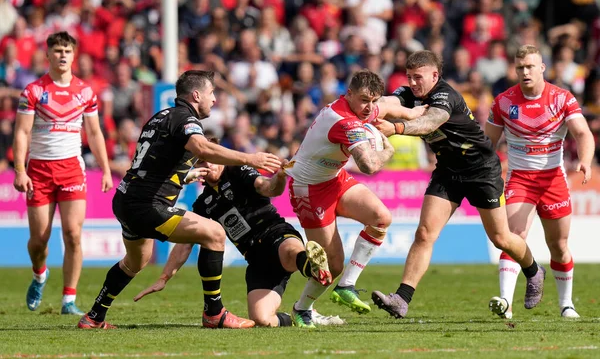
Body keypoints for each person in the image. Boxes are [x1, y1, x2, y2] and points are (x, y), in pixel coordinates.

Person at [77, 70, 282, 329]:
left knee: (135, 262)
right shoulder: (185, 119)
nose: (215, 100)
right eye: (211, 93)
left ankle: (94, 317)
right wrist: (250, 158)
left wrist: (184, 175)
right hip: (148, 206)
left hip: (126, 199)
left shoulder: (159, 117)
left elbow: (152, 164)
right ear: (196, 95)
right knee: (215, 234)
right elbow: (203, 148)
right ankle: (214, 313)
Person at [371, 50, 546, 318]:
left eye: (418, 77)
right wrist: (366, 106)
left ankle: (534, 271)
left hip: (481, 170)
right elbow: (387, 102)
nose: (413, 82)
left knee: (501, 238)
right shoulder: (410, 93)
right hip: (448, 171)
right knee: (425, 233)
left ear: (434, 75)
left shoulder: (446, 95)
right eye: (409, 77)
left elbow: (431, 122)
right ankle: (401, 299)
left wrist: (396, 129)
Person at [134, 145, 344, 327]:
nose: (208, 167)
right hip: (256, 260)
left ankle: (312, 265)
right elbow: (185, 245)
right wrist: (163, 278)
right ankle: (300, 315)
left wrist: (279, 177)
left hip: (275, 233)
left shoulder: (239, 171)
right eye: (202, 163)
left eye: (211, 161)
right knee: (261, 319)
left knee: (290, 252)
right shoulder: (202, 204)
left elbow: (267, 187)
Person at [284, 69, 426, 327]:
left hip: (334, 179)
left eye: (372, 100)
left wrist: (414, 112)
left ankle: (347, 285)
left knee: (381, 218)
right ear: (348, 93)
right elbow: (369, 166)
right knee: (331, 265)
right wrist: (388, 150)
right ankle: (302, 309)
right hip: (309, 189)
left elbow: (385, 106)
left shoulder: (360, 107)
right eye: (363, 100)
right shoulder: (343, 121)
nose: (368, 107)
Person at [485, 45, 595, 319]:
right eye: (520, 67)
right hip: (520, 179)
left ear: (542, 68)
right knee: (512, 238)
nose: (525, 72)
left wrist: (585, 160)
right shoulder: (503, 102)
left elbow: (583, 133)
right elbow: (486, 143)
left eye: (530, 66)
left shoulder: (561, 98)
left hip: (553, 179)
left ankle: (566, 304)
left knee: (558, 245)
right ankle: (506, 303)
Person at [13, 31, 113, 316]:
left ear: (74, 55)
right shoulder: (33, 91)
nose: (62, 55)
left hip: (71, 170)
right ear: (48, 55)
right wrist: (20, 170)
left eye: (67, 50)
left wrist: (105, 169)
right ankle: (39, 273)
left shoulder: (85, 92)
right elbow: (21, 132)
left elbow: (94, 132)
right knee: (39, 242)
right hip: (39, 171)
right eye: (57, 50)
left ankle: (69, 299)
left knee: (73, 234)